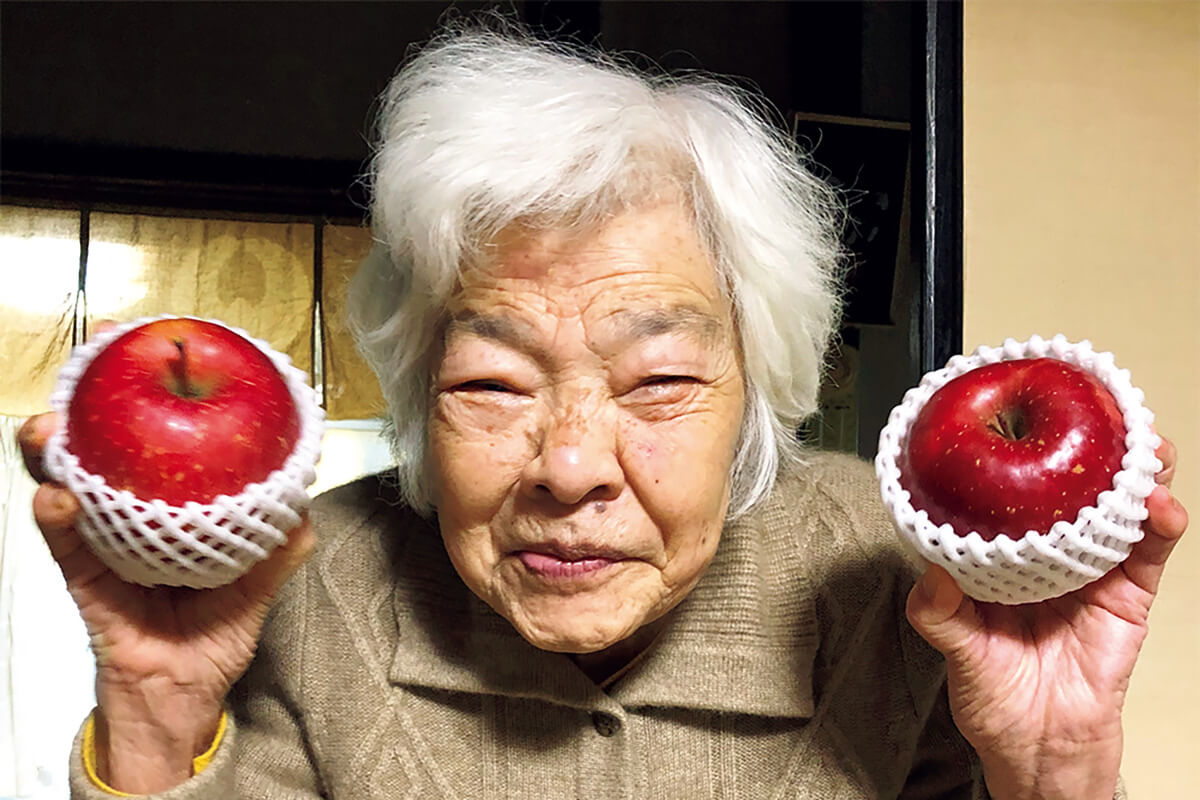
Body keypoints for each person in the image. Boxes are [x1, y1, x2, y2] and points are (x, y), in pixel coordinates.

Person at [18, 24, 1189, 800]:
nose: (569, 465)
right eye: (491, 383)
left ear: (761, 392)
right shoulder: (316, 583)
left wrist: (1056, 762)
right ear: (418, 395)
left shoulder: (902, 588)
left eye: (660, 382)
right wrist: (158, 705)